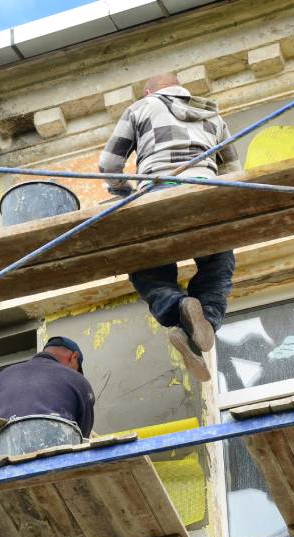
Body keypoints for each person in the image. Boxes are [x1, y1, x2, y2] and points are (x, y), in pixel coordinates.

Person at [98, 73, 243, 382]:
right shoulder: (212, 114)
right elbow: (233, 170)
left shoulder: (142, 107)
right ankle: (201, 329)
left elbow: (109, 164)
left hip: (158, 193)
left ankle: (177, 309)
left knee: (148, 268)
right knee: (218, 265)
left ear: (148, 90)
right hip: (207, 194)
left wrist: (125, 192)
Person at [0, 336, 96, 459]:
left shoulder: (3, 376)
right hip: (53, 453)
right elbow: (81, 439)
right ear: (74, 357)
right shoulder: (77, 379)